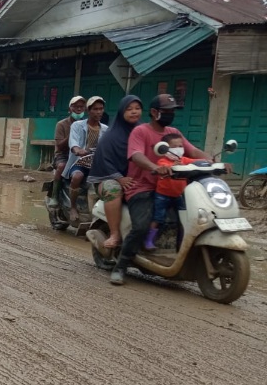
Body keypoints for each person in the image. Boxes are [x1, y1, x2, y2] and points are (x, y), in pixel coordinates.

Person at [110, 93, 219, 285]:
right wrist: (154, 167)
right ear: (154, 112)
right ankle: (121, 265)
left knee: (197, 217)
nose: (170, 114)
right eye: (166, 111)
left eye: (172, 111)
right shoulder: (140, 131)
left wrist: (211, 160)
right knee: (141, 226)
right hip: (142, 187)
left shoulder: (173, 132)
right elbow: (135, 155)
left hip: (172, 187)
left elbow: (192, 151)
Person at [88, 95, 143, 250]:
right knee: (112, 189)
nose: (134, 112)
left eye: (137, 108)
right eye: (129, 109)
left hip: (136, 178)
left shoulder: (144, 131)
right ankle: (115, 234)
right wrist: (119, 178)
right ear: (121, 112)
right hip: (109, 178)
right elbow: (104, 161)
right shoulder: (110, 136)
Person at [144, 133, 197, 250]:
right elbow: (165, 168)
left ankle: (184, 243)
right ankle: (148, 240)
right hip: (163, 195)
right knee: (158, 218)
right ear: (165, 149)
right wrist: (173, 166)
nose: (179, 149)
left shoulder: (183, 160)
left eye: (180, 146)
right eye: (175, 146)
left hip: (179, 195)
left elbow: (195, 161)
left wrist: (210, 162)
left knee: (185, 218)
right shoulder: (162, 162)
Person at [64, 96, 108, 225]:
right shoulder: (77, 126)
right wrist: (78, 150)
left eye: (101, 109)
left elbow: (109, 146)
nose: (99, 112)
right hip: (80, 161)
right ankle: (73, 207)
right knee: (77, 176)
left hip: (97, 163)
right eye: (95, 109)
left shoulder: (105, 129)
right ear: (89, 111)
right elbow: (73, 142)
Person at [52, 96, 86, 198]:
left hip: (81, 155)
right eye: (75, 107)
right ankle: (54, 196)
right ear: (69, 109)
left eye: (81, 107)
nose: (79, 109)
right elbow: (60, 145)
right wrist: (72, 132)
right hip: (64, 155)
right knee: (62, 166)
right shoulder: (61, 124)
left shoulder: (87, 124)